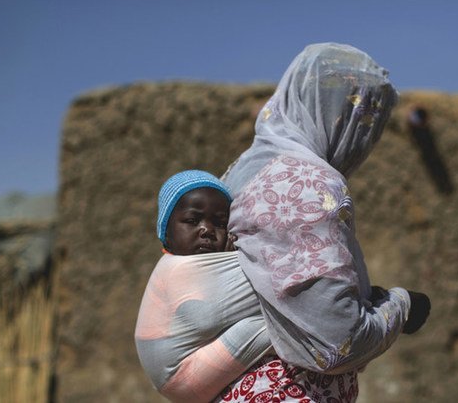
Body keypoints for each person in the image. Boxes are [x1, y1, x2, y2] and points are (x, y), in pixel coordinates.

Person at [219, 43, 431, 401]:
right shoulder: (303, 185)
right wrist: (401, 305)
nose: (364, 137)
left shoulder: (242, 171)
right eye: (362, 120)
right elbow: (336, 341)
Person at [135, 170, 272, 403]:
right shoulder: (175, 269)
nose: (207, 230)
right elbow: (207, 317)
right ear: (165, 231)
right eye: (192, 220)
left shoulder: (205, 265)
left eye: (220, 223)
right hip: (180, 376)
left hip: (185, 375)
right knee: (269, 326)